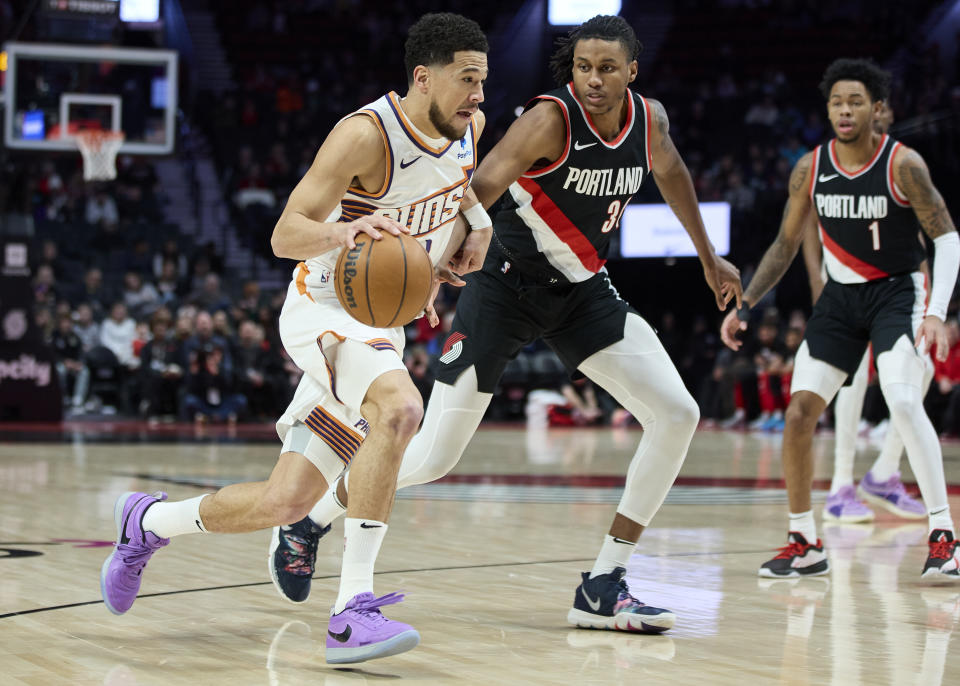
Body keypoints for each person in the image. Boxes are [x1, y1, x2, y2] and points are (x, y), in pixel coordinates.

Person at [286, 15, 743, 633]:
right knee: (433, 458)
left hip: (583, 293)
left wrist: (709, 256)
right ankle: (314, 516)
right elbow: (480, 183)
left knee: (679, 413)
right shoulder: (549, 119)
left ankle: (604, 583)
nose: (594, 79)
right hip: (505, 287)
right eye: (583, 67)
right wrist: (441, 260)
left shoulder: (649, 120)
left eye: (608, 68)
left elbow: (673, 174)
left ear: (632, 71)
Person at [100, 12, 492, 664]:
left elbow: (457, 189)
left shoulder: (468, 126)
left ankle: (145, 523)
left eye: (484, 80)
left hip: (380, 325)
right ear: (423, 78)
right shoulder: (365, 136)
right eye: (467, 79)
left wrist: (471, 228)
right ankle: (352, 611)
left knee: (287, 501)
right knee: (400, 410)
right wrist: (343, 233)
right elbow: (284, 235)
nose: (479, 95)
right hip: (323, 308)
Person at [720, 58, 960, 580]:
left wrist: (937, 313)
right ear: (827, 109)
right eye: (836, 102)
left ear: (878, 110)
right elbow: (785, 244)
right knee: (800, 410)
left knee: (900, 396)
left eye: (855, 101)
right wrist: (747, 304)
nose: (845, 110)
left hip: (898, 292)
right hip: (840, 299)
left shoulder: (904, 165)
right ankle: (804, 540)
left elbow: (946, 236)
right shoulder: (811, 167)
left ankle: (944, 535)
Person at [801, 100, 927, 523]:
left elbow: (916, 235)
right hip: (845, 288)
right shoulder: (827, 163)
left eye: (885, 108)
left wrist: (923, 287)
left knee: (920, 371)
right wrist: (820, 286)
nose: (881, 114)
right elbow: (807, 228)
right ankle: (840, 485)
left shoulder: (901, 161)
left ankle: (884, 472)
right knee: (851, 382)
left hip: (895, 289)